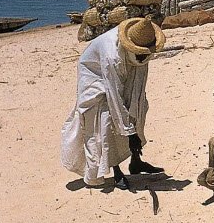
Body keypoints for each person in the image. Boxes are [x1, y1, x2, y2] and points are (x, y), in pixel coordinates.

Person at [61, 18, 166, 189]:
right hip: (96, 77)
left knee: (139, 106)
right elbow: (114, 97)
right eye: (140, 54)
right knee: (107, 118)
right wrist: (130, 134)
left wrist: (134, 126)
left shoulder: (142, 47)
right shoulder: (112, 56)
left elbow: (138, 87)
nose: (145, 57)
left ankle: (136, 163)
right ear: (130, 47)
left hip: (119, 73)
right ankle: (116, 171)